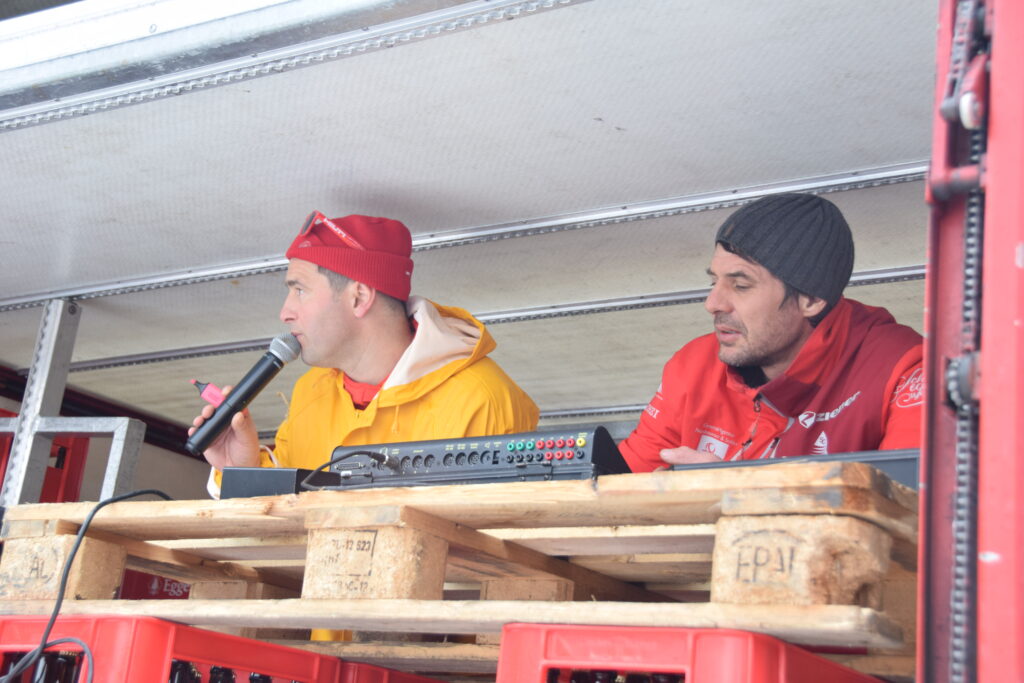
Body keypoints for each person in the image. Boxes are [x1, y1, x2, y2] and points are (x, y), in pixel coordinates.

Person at [192, 211, 540, 494]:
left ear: (358, 298)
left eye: (299, 290)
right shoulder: (311, 391)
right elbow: (284, 518)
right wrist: (241, 469)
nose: (285, 312)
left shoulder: (483, 399)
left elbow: (488, 538)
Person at [618, 193, 923, 472]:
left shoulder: (904, 371)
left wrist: (736, 494)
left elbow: (915, 505)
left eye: (741, 286)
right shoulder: (694, 365)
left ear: (812, 299)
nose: (712, 304)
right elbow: (614, 487)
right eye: (714, 282)